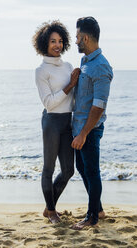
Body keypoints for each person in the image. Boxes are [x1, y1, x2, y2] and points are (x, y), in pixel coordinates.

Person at [32, 20, 80, 224]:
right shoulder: (41, 71)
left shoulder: (68, 66)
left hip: (67, 122)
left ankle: (48, 207)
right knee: (49, 168)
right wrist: (70, 85)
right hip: (51, 122)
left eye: (60, 41)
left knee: (69, 169)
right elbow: (49, 103)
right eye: (52, 41)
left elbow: (75, 97)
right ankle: (52, 211)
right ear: (45, 44)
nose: (57, 45)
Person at [71, 16, 113, 230]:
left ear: (85, 38)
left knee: (92, 171)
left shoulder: (101, 67)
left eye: (77, 37)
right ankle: (98, 209)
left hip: (90, 130)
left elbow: (98, 106)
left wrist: (84, 134)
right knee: (82, 168)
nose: (75, 41)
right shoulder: (86, 62)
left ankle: (92, 218)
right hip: (79, 127)